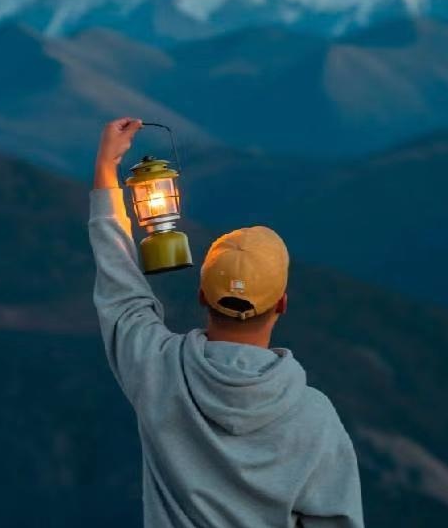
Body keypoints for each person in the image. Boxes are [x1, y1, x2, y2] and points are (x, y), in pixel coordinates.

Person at [89, 117, 364, 527]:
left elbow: (119, 289)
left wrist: (106, 170)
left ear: (202, 296)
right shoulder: (314, 418)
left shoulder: (157, 370)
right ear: (282, 304)